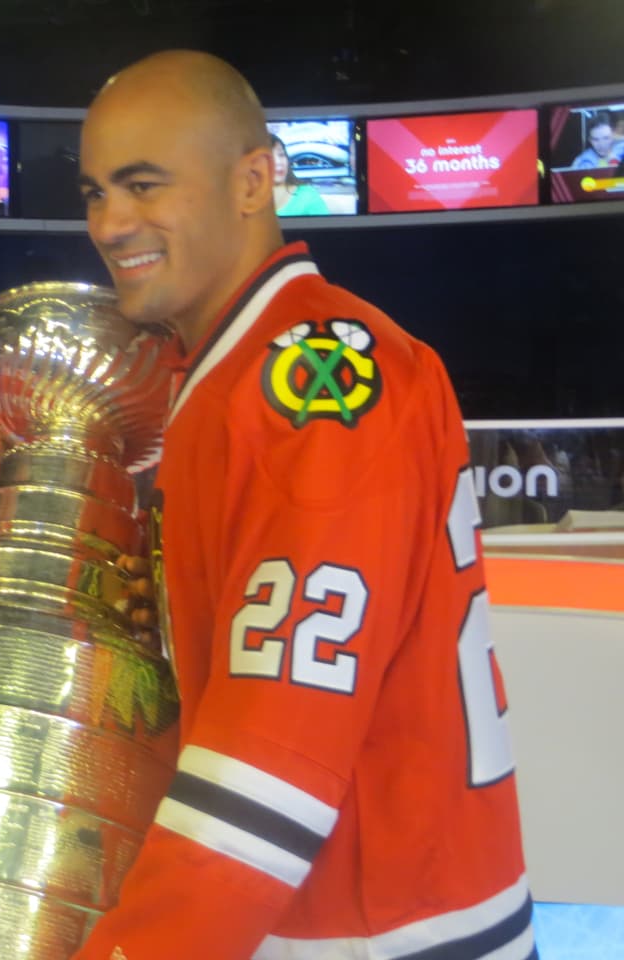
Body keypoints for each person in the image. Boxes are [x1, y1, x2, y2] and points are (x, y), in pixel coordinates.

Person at [73, 50, 535, 959]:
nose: (109, 222)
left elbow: (271, 765)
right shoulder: (235, 367)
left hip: (377, 928)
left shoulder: (312, 379)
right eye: (93, 192)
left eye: (142, 185)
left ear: (254, 180)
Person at [270, 133, 328, 217]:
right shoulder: (246, 200)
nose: (279, 162)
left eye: (281, 155)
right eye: (270, 157)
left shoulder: (307, 196)